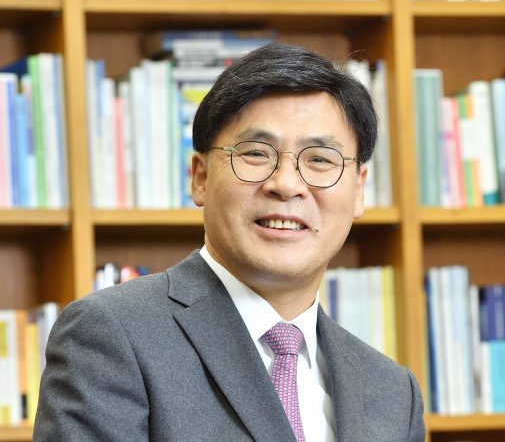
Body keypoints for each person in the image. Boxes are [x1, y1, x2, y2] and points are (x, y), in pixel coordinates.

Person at [33, 43, 425, 442]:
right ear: (200, 177)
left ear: (358, 189)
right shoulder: (110, 334)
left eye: (320, 160)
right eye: (255, 153)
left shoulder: (394, 393)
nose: (286, 184)